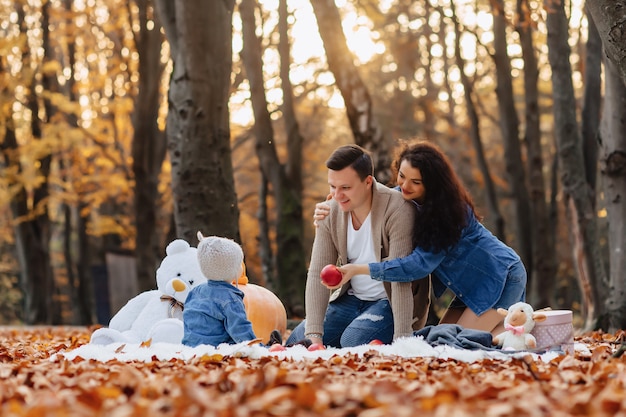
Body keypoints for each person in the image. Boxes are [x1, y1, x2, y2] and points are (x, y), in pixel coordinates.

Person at [316, 141, 527, 336]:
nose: (405, 186)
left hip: (500, 276)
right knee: (440, 340)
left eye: (415, 181)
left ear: (433, 183)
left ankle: (523, 330)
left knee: (457, 342)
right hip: (470, 285)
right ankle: (516, 327)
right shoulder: (404, 197)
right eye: (401, 176)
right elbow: (374, 202)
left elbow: (416, 266)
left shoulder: (448, 214)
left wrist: (360, 269)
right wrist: (337, 205)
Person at [285, 144, 431, 348]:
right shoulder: (329, 211)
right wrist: (315, 335)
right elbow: (318, 272)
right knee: (297, 342)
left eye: (345, 188)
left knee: (353, 341)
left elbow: (400, 277)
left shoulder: (398, 209)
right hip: (351, 299)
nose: (337, 195)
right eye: (332, 187)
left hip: (386, 303)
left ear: (367, 182)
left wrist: (402, 340)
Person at [182, 233, 259, 347]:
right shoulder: (230, 298)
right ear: (231, 269)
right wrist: (257, 348)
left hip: (191, 348)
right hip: (218, 349)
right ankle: (270, 346)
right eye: (239, 264)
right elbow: (240, 331)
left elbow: (189, 321)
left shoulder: (195, 291)